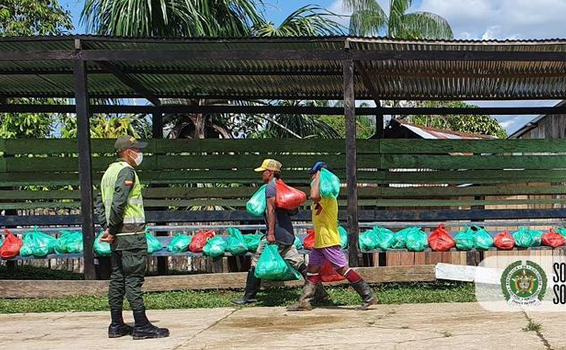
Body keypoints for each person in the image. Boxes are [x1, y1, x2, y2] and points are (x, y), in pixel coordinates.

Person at [95, 135, 169, 340]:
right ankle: (142, 325)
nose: (139, 154)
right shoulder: (127, 172)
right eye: (137, 150)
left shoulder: (108, 173)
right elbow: (119, 203)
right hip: (130, 235)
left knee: (117, 278)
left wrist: (107, 228)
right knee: (133, 279)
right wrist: (111, 228)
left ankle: (116, 324)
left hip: (118, 236)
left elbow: (100, 204)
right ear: (128, 152)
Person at [232, 159, 328, 305]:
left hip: (275, 233)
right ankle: (321, 294)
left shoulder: (270, 188)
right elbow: (292, 211)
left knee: (255, 263)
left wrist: (270, 233)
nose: (261, 175)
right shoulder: (282, 188)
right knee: (298, 263)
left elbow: (271, 210)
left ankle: (249, 297)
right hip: (286, 232)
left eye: (263, 171)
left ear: (270, 173)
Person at [287, 162, 377, 311]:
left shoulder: (327, 197)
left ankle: (368, 295)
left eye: (313, 174)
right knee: (312, 269)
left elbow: (314, 195)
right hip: (320, 241)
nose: (311, 177)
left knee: (343, 269)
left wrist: (319, 176)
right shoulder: (324, 195)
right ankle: (305, 301)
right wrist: (318, 176)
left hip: (328, 240)